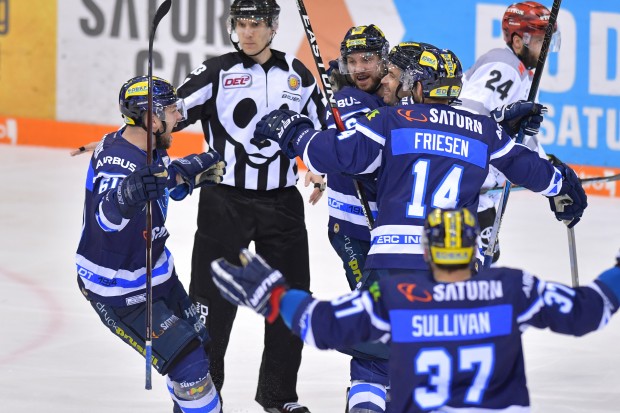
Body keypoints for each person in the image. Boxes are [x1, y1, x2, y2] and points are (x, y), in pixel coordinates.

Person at [250, 43, 588, 409]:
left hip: (395, 261)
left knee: (373, 365)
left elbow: (334, 155)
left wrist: (293, 132)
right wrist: (564, 187)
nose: (385, 83)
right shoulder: (483, 129)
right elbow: (532, 170)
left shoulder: (391, 122)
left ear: (418, 86)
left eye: (394, 76)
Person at [209, 207, 620, 413]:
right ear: (474, 248)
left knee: (369, 365)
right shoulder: (512, 289)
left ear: (427, 251)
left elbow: (322, 325)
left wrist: (274, 295)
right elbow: (590, 311)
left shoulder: (398, 297)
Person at [172, 1, 326, 411]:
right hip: (225, 202)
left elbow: (324, 134)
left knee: (291, 299)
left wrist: (320, 168)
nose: (248, 32)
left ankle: (279, 396)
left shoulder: (299, 75)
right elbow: (172, 113)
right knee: (210, 304)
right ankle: (202, 397)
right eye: (241, 23)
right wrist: (150, 114)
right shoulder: (217, 71)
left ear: (273, 27)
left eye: (256, 24)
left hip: (283, 205)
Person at [75, 75, 226, 413]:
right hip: (120, 289)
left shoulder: (149, 147)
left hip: (157, 275)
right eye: (171, 110)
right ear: (150, 118)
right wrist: (125, 197)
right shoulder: (118, 162)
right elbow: (106, 217)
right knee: (190, 367)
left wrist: (184, 174)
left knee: (197, 350)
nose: (178, 117)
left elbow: (157, 182)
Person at [458, 1, 561, 263]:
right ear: (518, 41)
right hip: (470, 189)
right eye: (540, 40)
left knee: (486, 259)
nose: (546, 48)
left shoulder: (522, 73)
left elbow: (521, 134)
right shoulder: (504, 68)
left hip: (484, 189)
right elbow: (467, 118)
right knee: (471, 265)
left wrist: (548, 166)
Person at [322, 24, 389, 412]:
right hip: (354, 229)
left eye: (368, 59)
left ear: (384, 60)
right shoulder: (347, 101)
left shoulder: (389, 93)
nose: (360, 68)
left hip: (393, 232)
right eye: (352, 61)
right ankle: (365, 396)